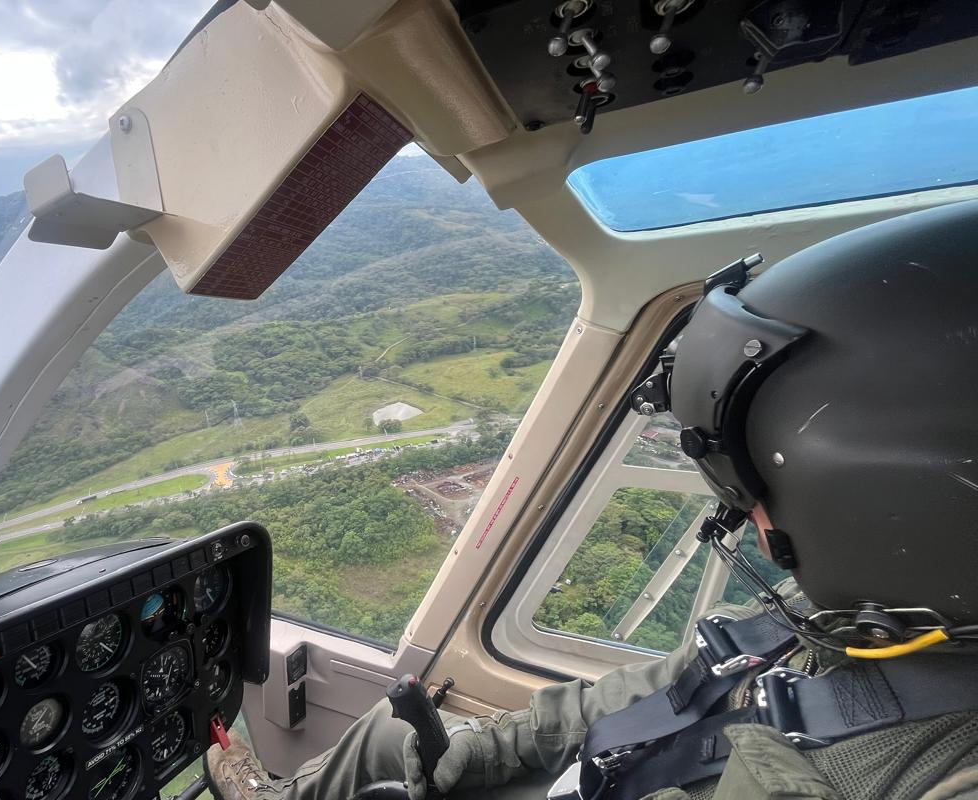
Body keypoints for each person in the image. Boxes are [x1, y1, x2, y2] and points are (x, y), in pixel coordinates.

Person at [207, 199, 978, 800]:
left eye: (755, 495)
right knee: (388, 737)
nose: (748, 521)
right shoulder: (856, 622)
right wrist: (471, 756)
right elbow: (648, 692)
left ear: (883, 513)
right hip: (620, 771)